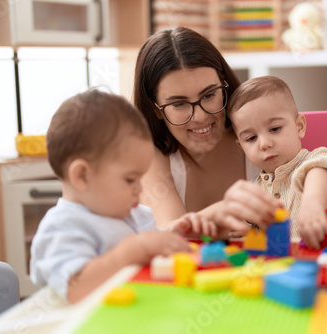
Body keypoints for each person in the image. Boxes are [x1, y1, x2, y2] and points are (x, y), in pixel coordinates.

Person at [30, 89, 219, 303]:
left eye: (140, 178)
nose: (139, 189)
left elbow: (153, 247)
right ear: (82, 176)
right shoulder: (62, 227)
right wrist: (136, 249)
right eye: (130, 180)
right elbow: (77, 288)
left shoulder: (135, 215)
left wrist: (175, 233)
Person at [133, 27, 281, 234]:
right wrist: (216, 213)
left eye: (209, 95)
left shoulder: (262, 136)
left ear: (224, 84)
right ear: (155, 109)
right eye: (178, 104)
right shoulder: (151, 156)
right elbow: (167, 232)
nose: (200, 117)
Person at [227, 76, 327, 248]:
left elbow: (318, 171)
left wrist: (312, 202)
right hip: (290, 266)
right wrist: (241, 230)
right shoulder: (255, 190)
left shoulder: (315, 161)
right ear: (241, 146)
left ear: (299, 127)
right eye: (251, 138)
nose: (264, 144)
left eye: (274, 129)